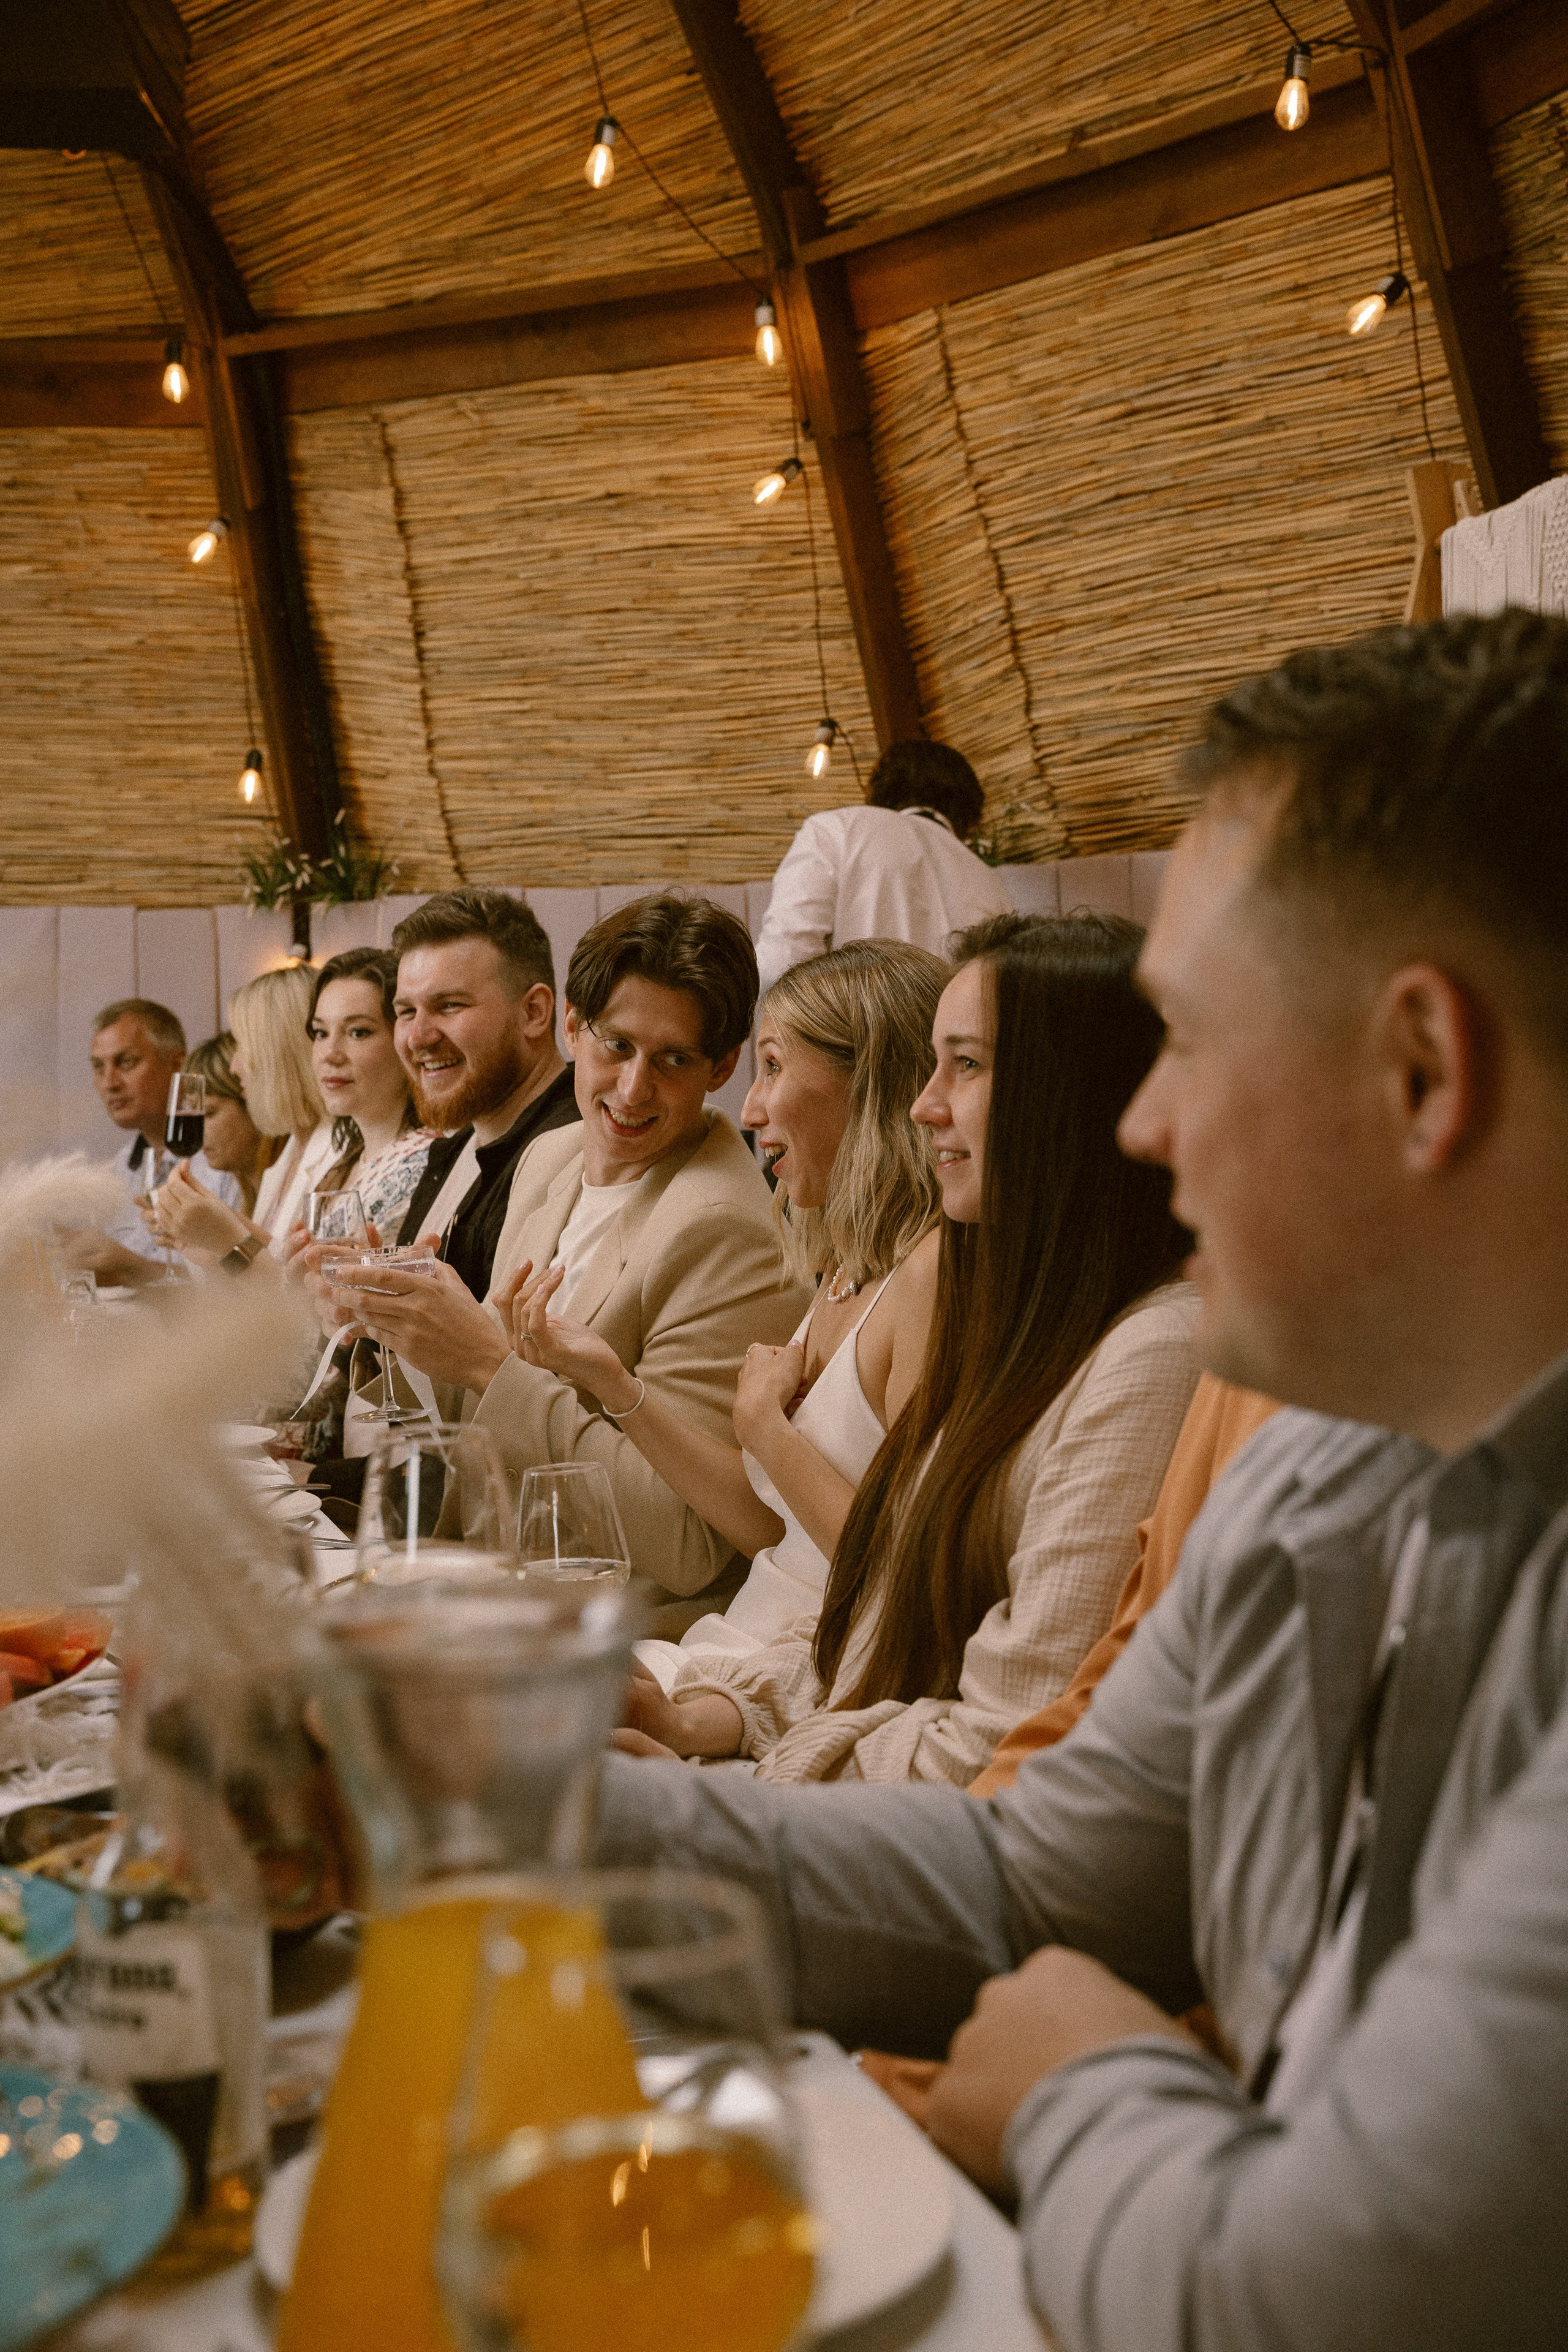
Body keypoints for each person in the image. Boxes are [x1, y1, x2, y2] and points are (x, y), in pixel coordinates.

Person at [590, 612, 1568, 2352]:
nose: (1137, 1125)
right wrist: (494, 1796)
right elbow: (1038, 1880)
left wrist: (1077, 2088)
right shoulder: (1327, 1453)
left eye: (1189, 1041)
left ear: (1423, 1071)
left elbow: (1330, 2299)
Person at [618, 911, 1200, 1784]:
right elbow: (886, 1625)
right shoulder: (1025, 1314)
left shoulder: (1151, 1352)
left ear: (1075, 1094)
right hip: (816, 1732)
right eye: (932, 1065)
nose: (925, 1104)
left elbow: (999, 1746)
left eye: (965, 1065)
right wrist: (710, 1716)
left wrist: (736, 1799)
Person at [339, 894, 810, 1629]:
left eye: (673, 1059)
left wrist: (491, 1366)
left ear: (721, 1068)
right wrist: (389, 1324)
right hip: (485, 1584)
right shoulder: (551, 1156)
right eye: (616, 1046)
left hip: (616, 1635)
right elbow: (473, 1423)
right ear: (569, 1026)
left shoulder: (719, 1227)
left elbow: (689, 1545)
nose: (632, 1090)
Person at [505, 940, 946, 1687]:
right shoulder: (848, 1262)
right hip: (735, 1644)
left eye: (772, 1068)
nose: (746, 1107)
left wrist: (766, 1432)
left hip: (799, 1676)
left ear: (869, 1083)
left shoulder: (931, 1276)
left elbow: (908, 1578)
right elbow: (772, 1535)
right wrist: (615, 1384)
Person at [387, 889, 579, 1293]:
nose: (418, 1037)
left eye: (450, 1005)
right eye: (406, 1011)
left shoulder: (577, 1152)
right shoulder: (459, 1147)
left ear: (533, 1013)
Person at [753, 739, 1014, 995]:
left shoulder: (836, 830)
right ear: (968, 810)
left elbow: (782, 964)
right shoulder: (991, 884)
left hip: (849, 1032)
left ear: (881, 789)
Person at [153, 964, 331, 1271]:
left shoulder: (336, 1154)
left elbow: (305, 1293)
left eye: (245, 1047)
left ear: (279, 1054)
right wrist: (202, 1240)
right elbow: (255, 1275)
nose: (236, 1067)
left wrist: (225, 1233)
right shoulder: (290, 1154)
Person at [66, 998, 241, 1288]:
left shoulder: (222, 1158)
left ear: (177, 1064)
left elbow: (241, 1281)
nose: (109, 1082)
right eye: (99, 1067)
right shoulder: (122, 1166)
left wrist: (135, 1270)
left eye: (126, 1062)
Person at [303, 948, 435, 1240]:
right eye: (321, 1033)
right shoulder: (349, 1160)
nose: (330, 1055)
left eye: (358, 1032)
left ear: (405, 1040)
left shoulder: (421, 1165)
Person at [185, 1031, 276, 1216]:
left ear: (252, 1105)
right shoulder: (238, 1193)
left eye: (209, 1113)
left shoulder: (287, 1184)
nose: (194, 1131)